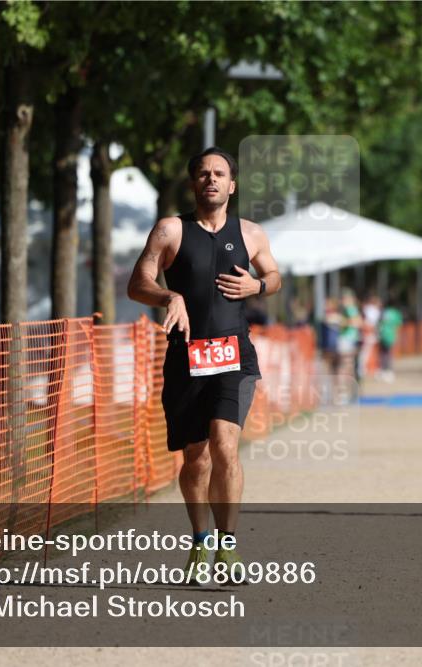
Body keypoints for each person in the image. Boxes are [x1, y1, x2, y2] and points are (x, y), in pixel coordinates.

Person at [126, 146, 281, 581]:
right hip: (187, 357)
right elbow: (137, 283)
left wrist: (257, 285)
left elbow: (275, 277)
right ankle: (200, 542)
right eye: (203, 173)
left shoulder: (250, 233)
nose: (211, 179)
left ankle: (228, 547)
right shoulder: (170, 230)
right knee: (195, 458)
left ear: (232, 185)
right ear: (193, 182)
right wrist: (169, 296)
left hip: (235, 356)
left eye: (219, 173)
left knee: (225, 446)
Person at [378, 300, 403, 382]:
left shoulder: (384, 312)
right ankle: (388, 371)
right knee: (388, 353)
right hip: (390, 335)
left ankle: (383, 370)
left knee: (382, 353)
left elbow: (379, 323)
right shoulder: (396, 313)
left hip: (382, 335)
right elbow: (398, 324)